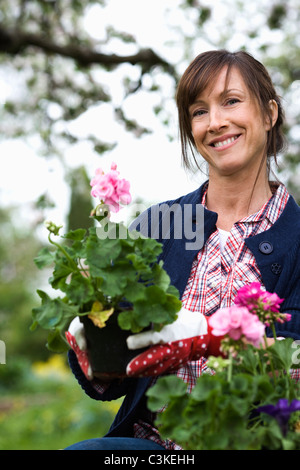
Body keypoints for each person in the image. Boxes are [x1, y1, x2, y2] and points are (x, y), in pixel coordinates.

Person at [65, 49, 300, 450]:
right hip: (154, 444)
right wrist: (93, 344)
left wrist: (211, 336)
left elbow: (291, 363)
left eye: (231, 101)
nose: (216, 122)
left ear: (268, 113)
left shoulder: (295, 236)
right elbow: (111, 380)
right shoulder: (161, 225)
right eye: (198, 111)